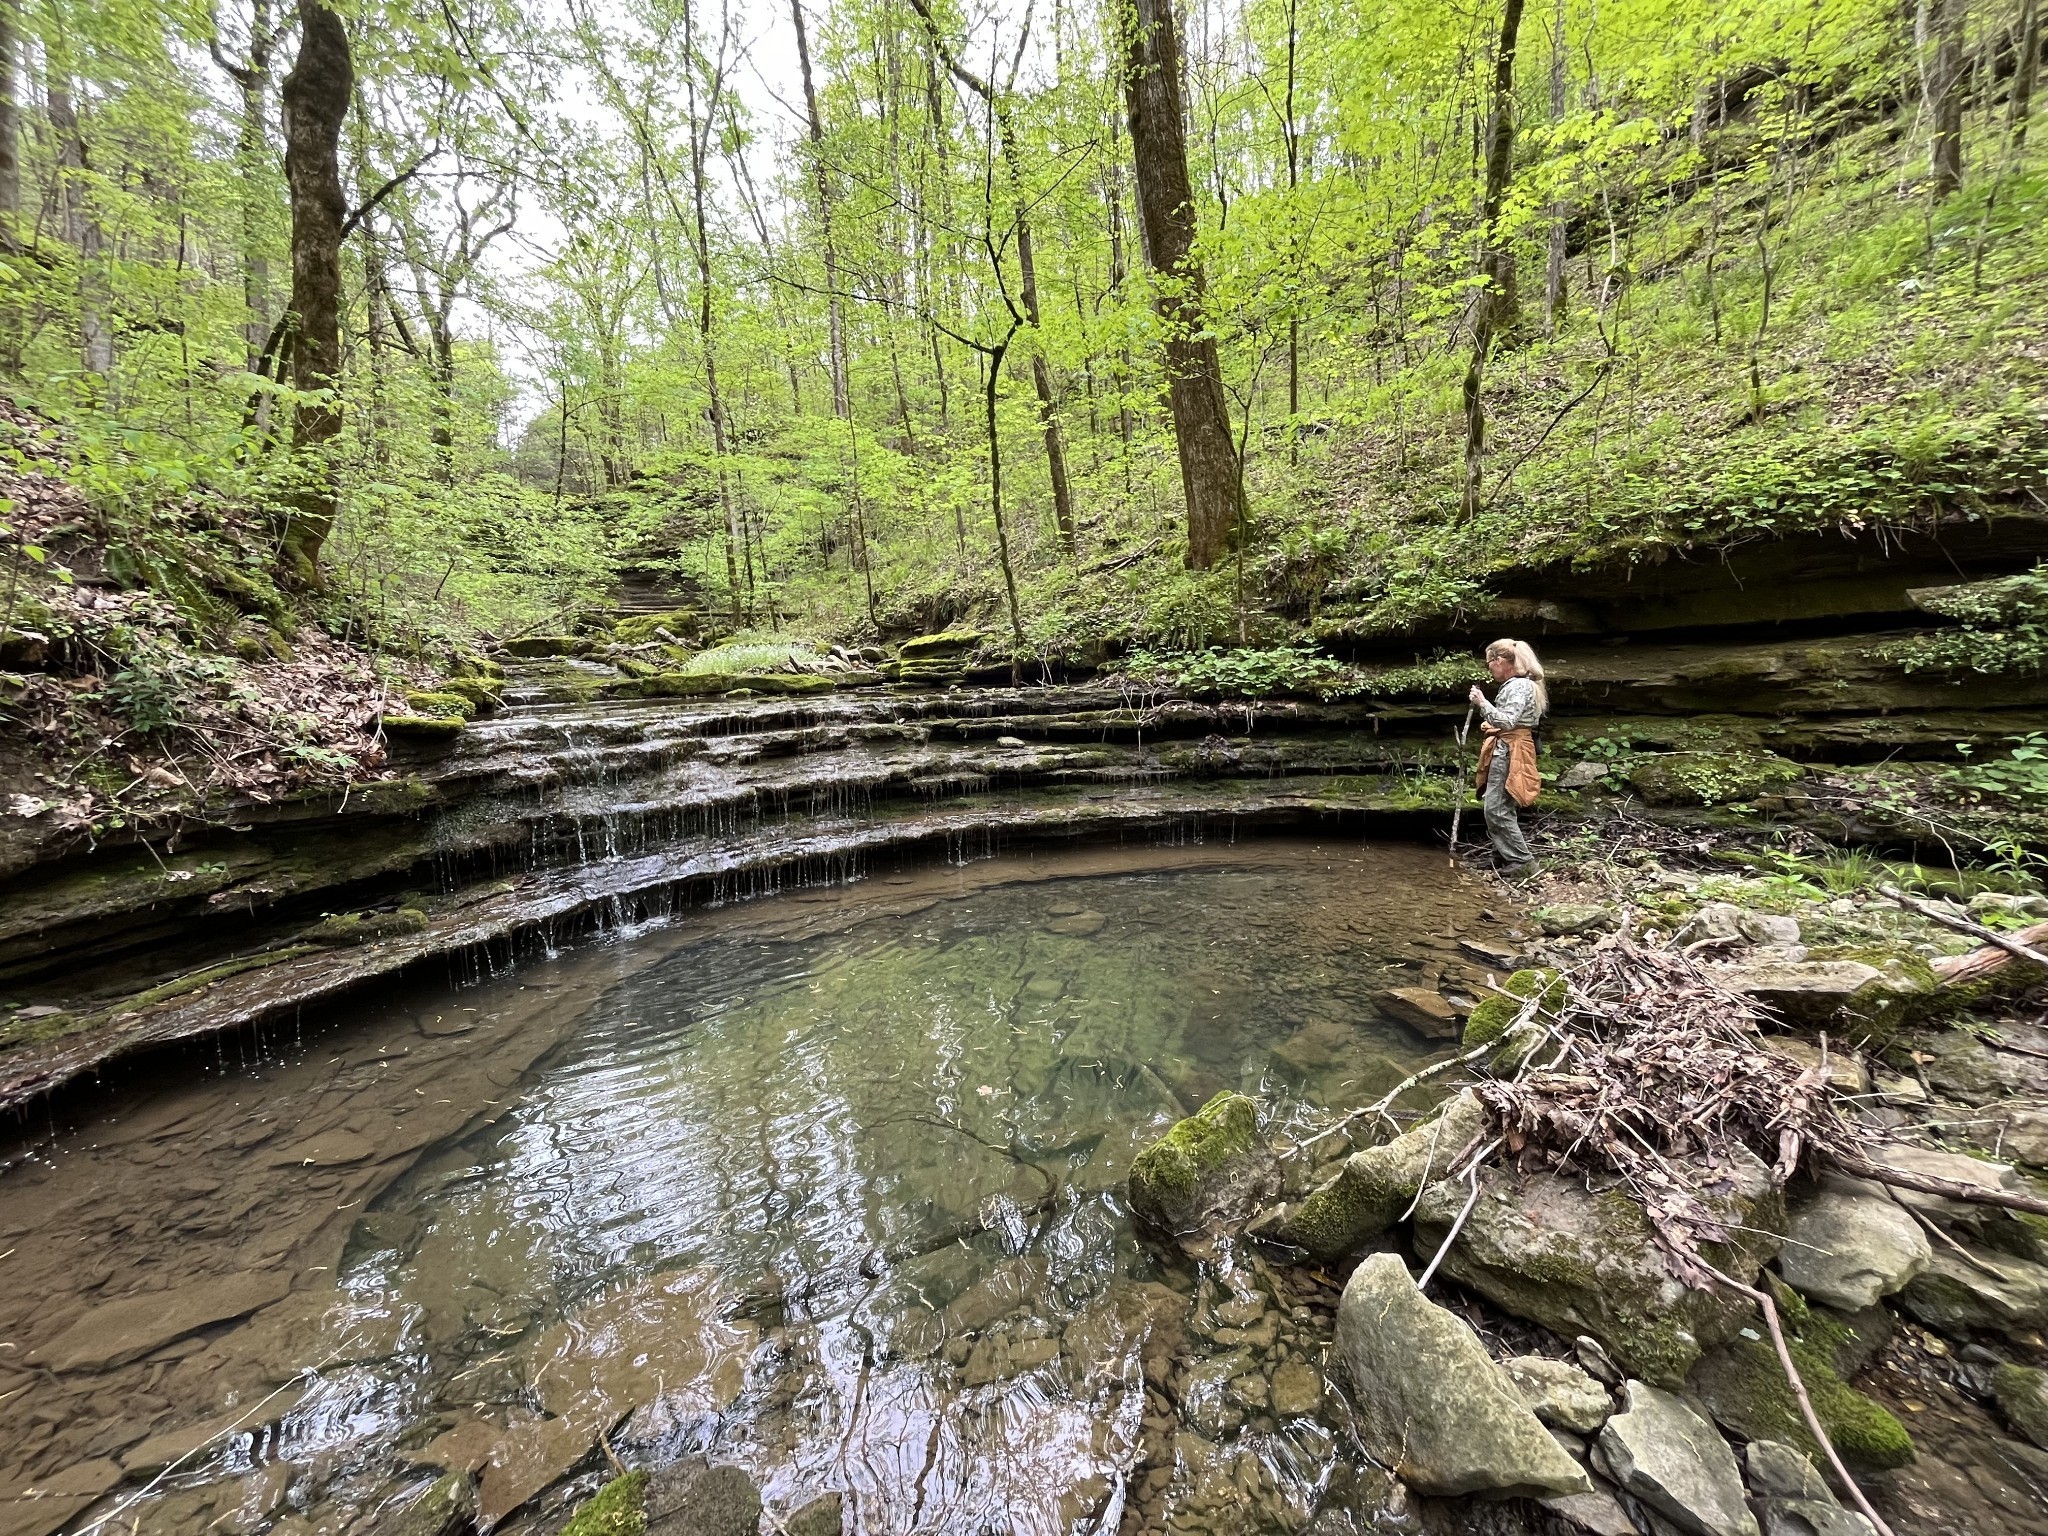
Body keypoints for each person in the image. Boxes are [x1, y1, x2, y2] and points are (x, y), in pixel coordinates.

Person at [1467, 638, 1547, 871]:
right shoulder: (1520, 684)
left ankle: (1522, 861)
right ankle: (1503, 854)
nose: (1489, 668)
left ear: (1500, 660)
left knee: (1497, 808)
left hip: (1510, 751)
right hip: (1507, 748)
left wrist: (1483, 703)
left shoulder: (1518, 686)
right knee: (1499, 806)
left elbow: (1507, 721)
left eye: (1489, 663)